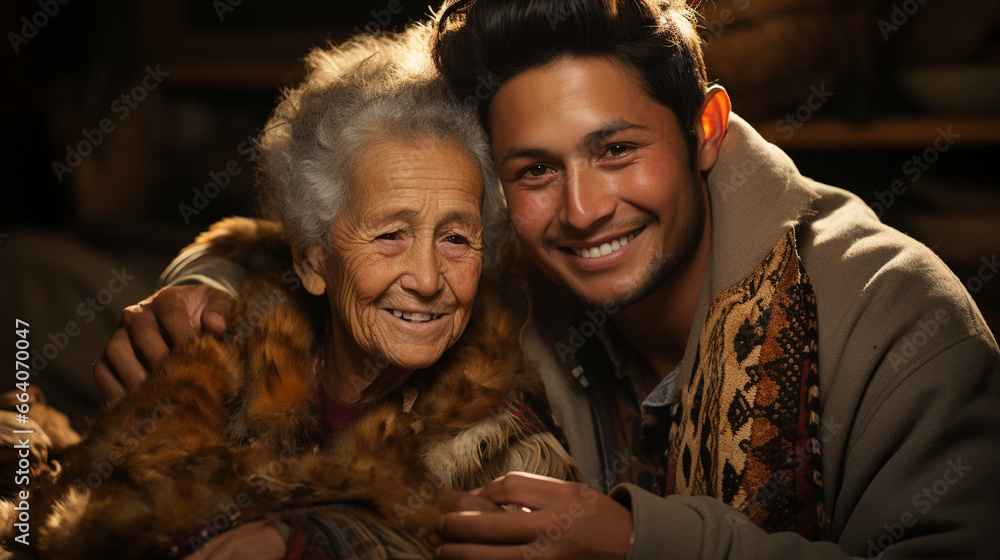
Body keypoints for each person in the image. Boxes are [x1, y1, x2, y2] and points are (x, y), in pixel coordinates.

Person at [96, 1, 1000, 558]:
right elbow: (325, 235)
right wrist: (201, 282)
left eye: (616, 151)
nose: (581, 210)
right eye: (533, 171)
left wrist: (646, 544)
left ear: (707, 129)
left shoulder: (900, 316)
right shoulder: (503, 261)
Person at [10, 25, 577, 560]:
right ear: (311, 260)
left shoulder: (508, 456)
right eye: (389, 235)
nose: (428, 280)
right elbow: (80, 514)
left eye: (456, 238)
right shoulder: (219, 360)